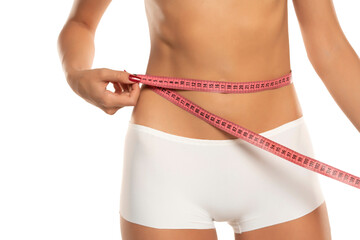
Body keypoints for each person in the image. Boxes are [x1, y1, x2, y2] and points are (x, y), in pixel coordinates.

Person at [57, 0, 360, 239]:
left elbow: (329, 48)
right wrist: (76, 74)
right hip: (166, 159)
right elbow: (81, 22)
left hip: (279, 155)